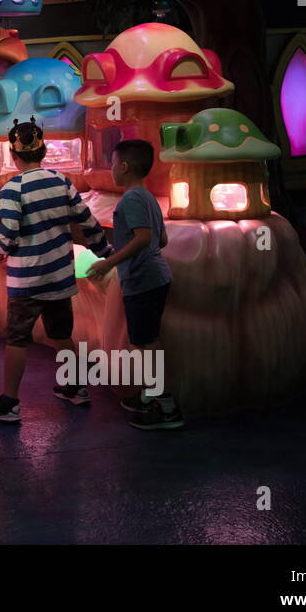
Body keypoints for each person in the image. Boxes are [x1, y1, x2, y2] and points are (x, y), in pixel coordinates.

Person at [0, 118, 110, 424]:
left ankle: (9, 403)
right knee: (61, 333)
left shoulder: (13, 189)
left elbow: (8, 233)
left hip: (28, 279)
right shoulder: (61, 181)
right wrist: (107, 255)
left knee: (17, 338)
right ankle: (75, 388)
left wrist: (0, 251)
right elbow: (88, 223)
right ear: (44, 150)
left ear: (14, 155)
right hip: (60, 275)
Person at [87, 139, 182, 430]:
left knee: (147, 343)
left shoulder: (130, 200)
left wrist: (109, 262)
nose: (112, 169)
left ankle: (165, 408)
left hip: (143, 280)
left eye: (114, 164)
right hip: (153, 277)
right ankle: (147, 395)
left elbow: (142, 238)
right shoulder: (148, 197)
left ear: (124, 166)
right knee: (145, 340)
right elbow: (160, 239)